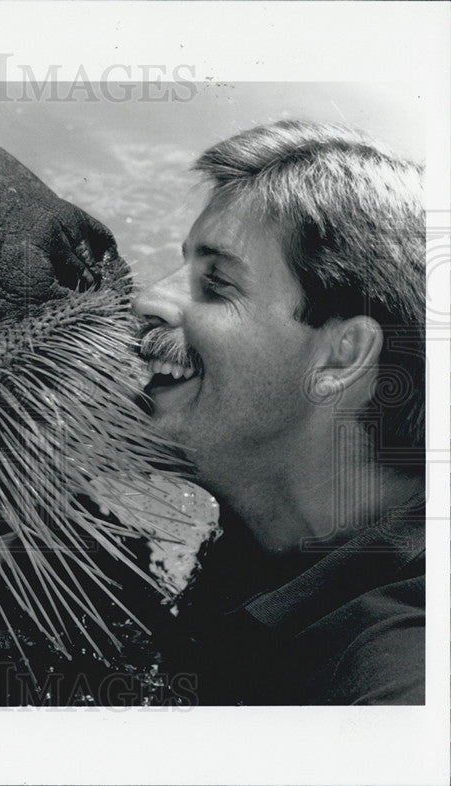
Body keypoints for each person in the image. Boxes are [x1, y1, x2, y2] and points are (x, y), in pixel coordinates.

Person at [133, 120, 426, 705]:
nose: (148, 299)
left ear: (342, 356)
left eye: (215, 284)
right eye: (181, 265)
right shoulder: (277, 543)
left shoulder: (400, 661)